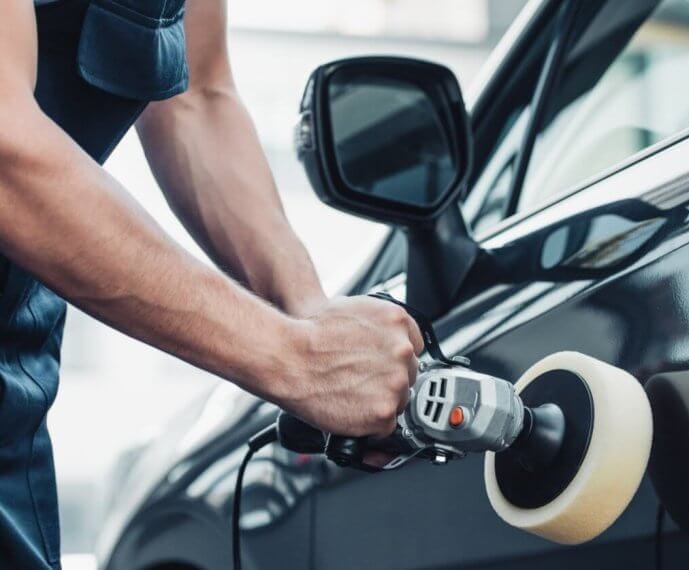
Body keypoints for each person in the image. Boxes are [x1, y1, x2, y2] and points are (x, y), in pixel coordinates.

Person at [0, 1, 424, 567]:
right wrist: (292, 358)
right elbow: (6, 154)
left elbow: (195, 93)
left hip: (16, 381)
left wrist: (309, 311)